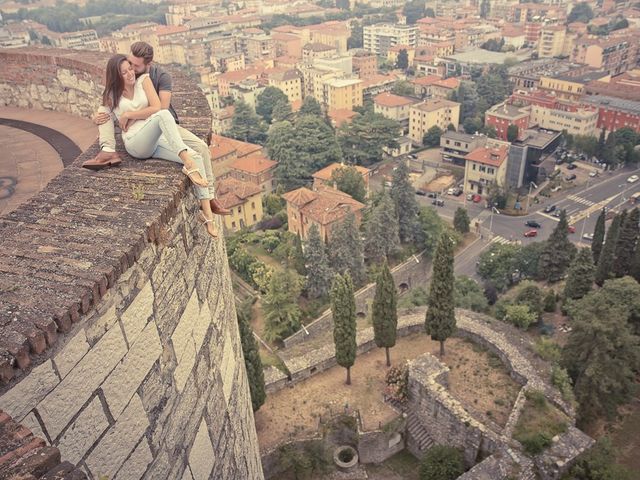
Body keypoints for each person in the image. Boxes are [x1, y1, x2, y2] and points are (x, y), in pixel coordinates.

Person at [83, 41, 230, 217]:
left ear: (147, 65)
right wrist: (97, 117)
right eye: (130, 63)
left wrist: (130, 115)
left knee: (202, 148)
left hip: (166, 125)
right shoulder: (125, 80)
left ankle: (210, 198)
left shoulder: (159, 76)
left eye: (135, 66)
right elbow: (110, 104)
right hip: (143, 133)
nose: (132, 69)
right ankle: (108, 151)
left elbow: (160, 110)